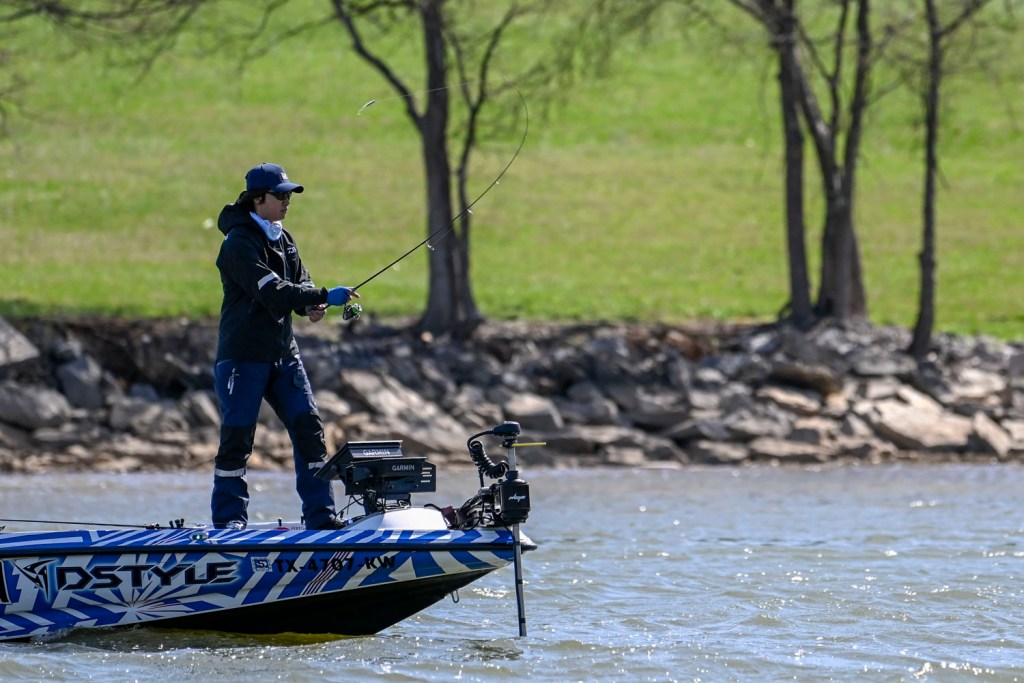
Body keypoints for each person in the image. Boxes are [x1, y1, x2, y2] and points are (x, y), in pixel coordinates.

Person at [211, 162, 358, 530]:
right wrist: (323, 295)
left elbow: (299, 283)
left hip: (283, 356)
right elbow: (272, 292)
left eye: (289, 195)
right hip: (243, 358)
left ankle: (321, 517)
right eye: (280, 195)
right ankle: (229, 522)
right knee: (237, 440)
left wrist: (310, 305)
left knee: (310, 430)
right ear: (257, 199)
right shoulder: (238, 243)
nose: (287, 201)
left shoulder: (284, 238)